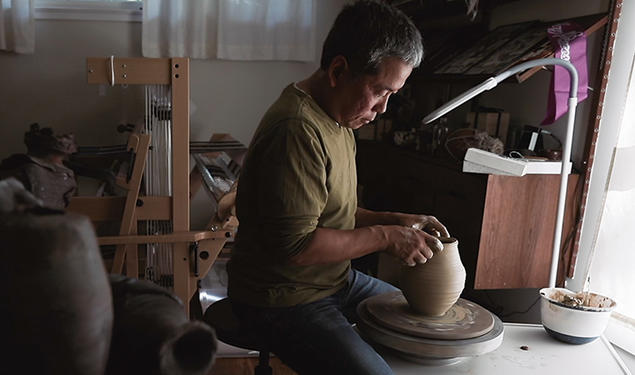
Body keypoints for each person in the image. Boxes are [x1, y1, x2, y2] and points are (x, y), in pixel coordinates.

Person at [226, 1, 449, 374]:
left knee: (426, 327)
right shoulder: (297, 129)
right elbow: (297, 246)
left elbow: (331, 213)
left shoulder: (340, 118)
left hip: (333, 282)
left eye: (392, 95)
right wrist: (386, 237)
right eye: (380, 91)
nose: (383, 109)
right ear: (339, 70)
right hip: (280, 297)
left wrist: (395, 220)